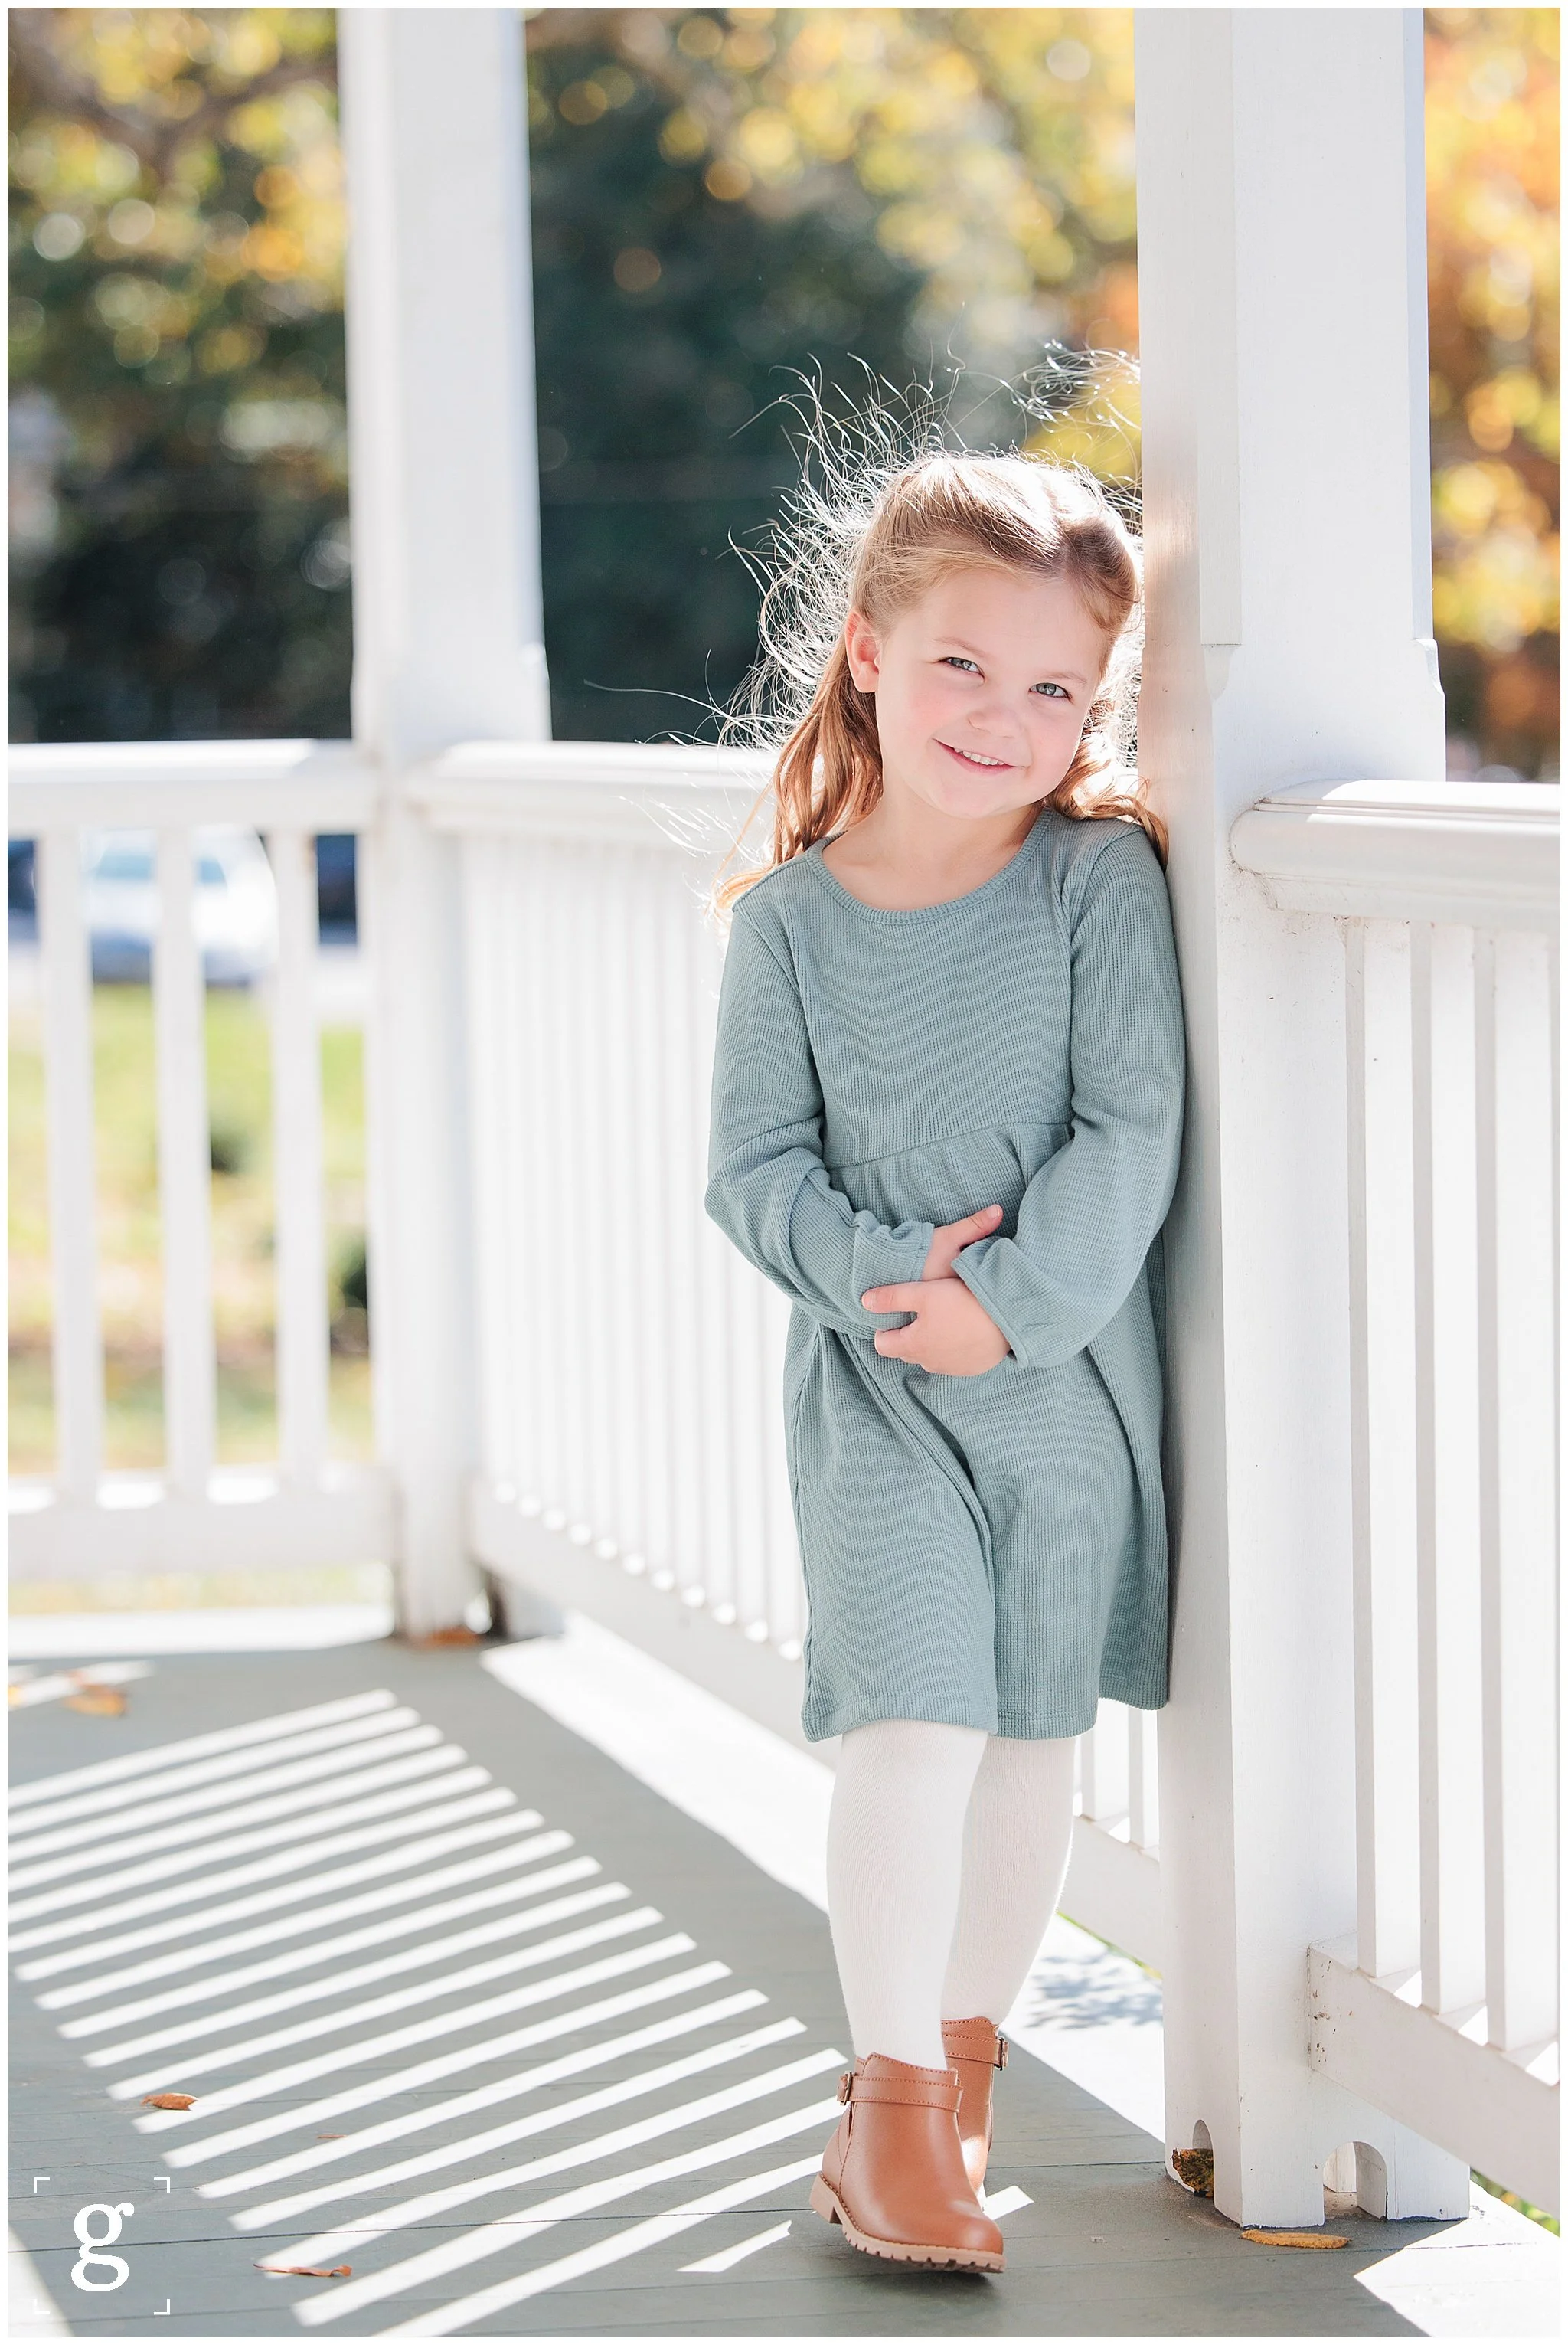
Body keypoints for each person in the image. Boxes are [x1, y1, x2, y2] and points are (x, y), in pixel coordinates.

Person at [703, 440, 1186, 2275]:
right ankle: (889, 2106)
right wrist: (890, 1273)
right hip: (878, 1389)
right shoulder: (791, 926)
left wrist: (1020, 1302)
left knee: (1025, 1748)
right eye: (963, 665)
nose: (1007, 715)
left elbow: (1131, 1130)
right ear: (865, 653)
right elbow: (749, 1173)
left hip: (1061, 1392)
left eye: (1057, 686)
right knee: (909, 1726)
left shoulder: (1093, 884)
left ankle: (955, 2091)